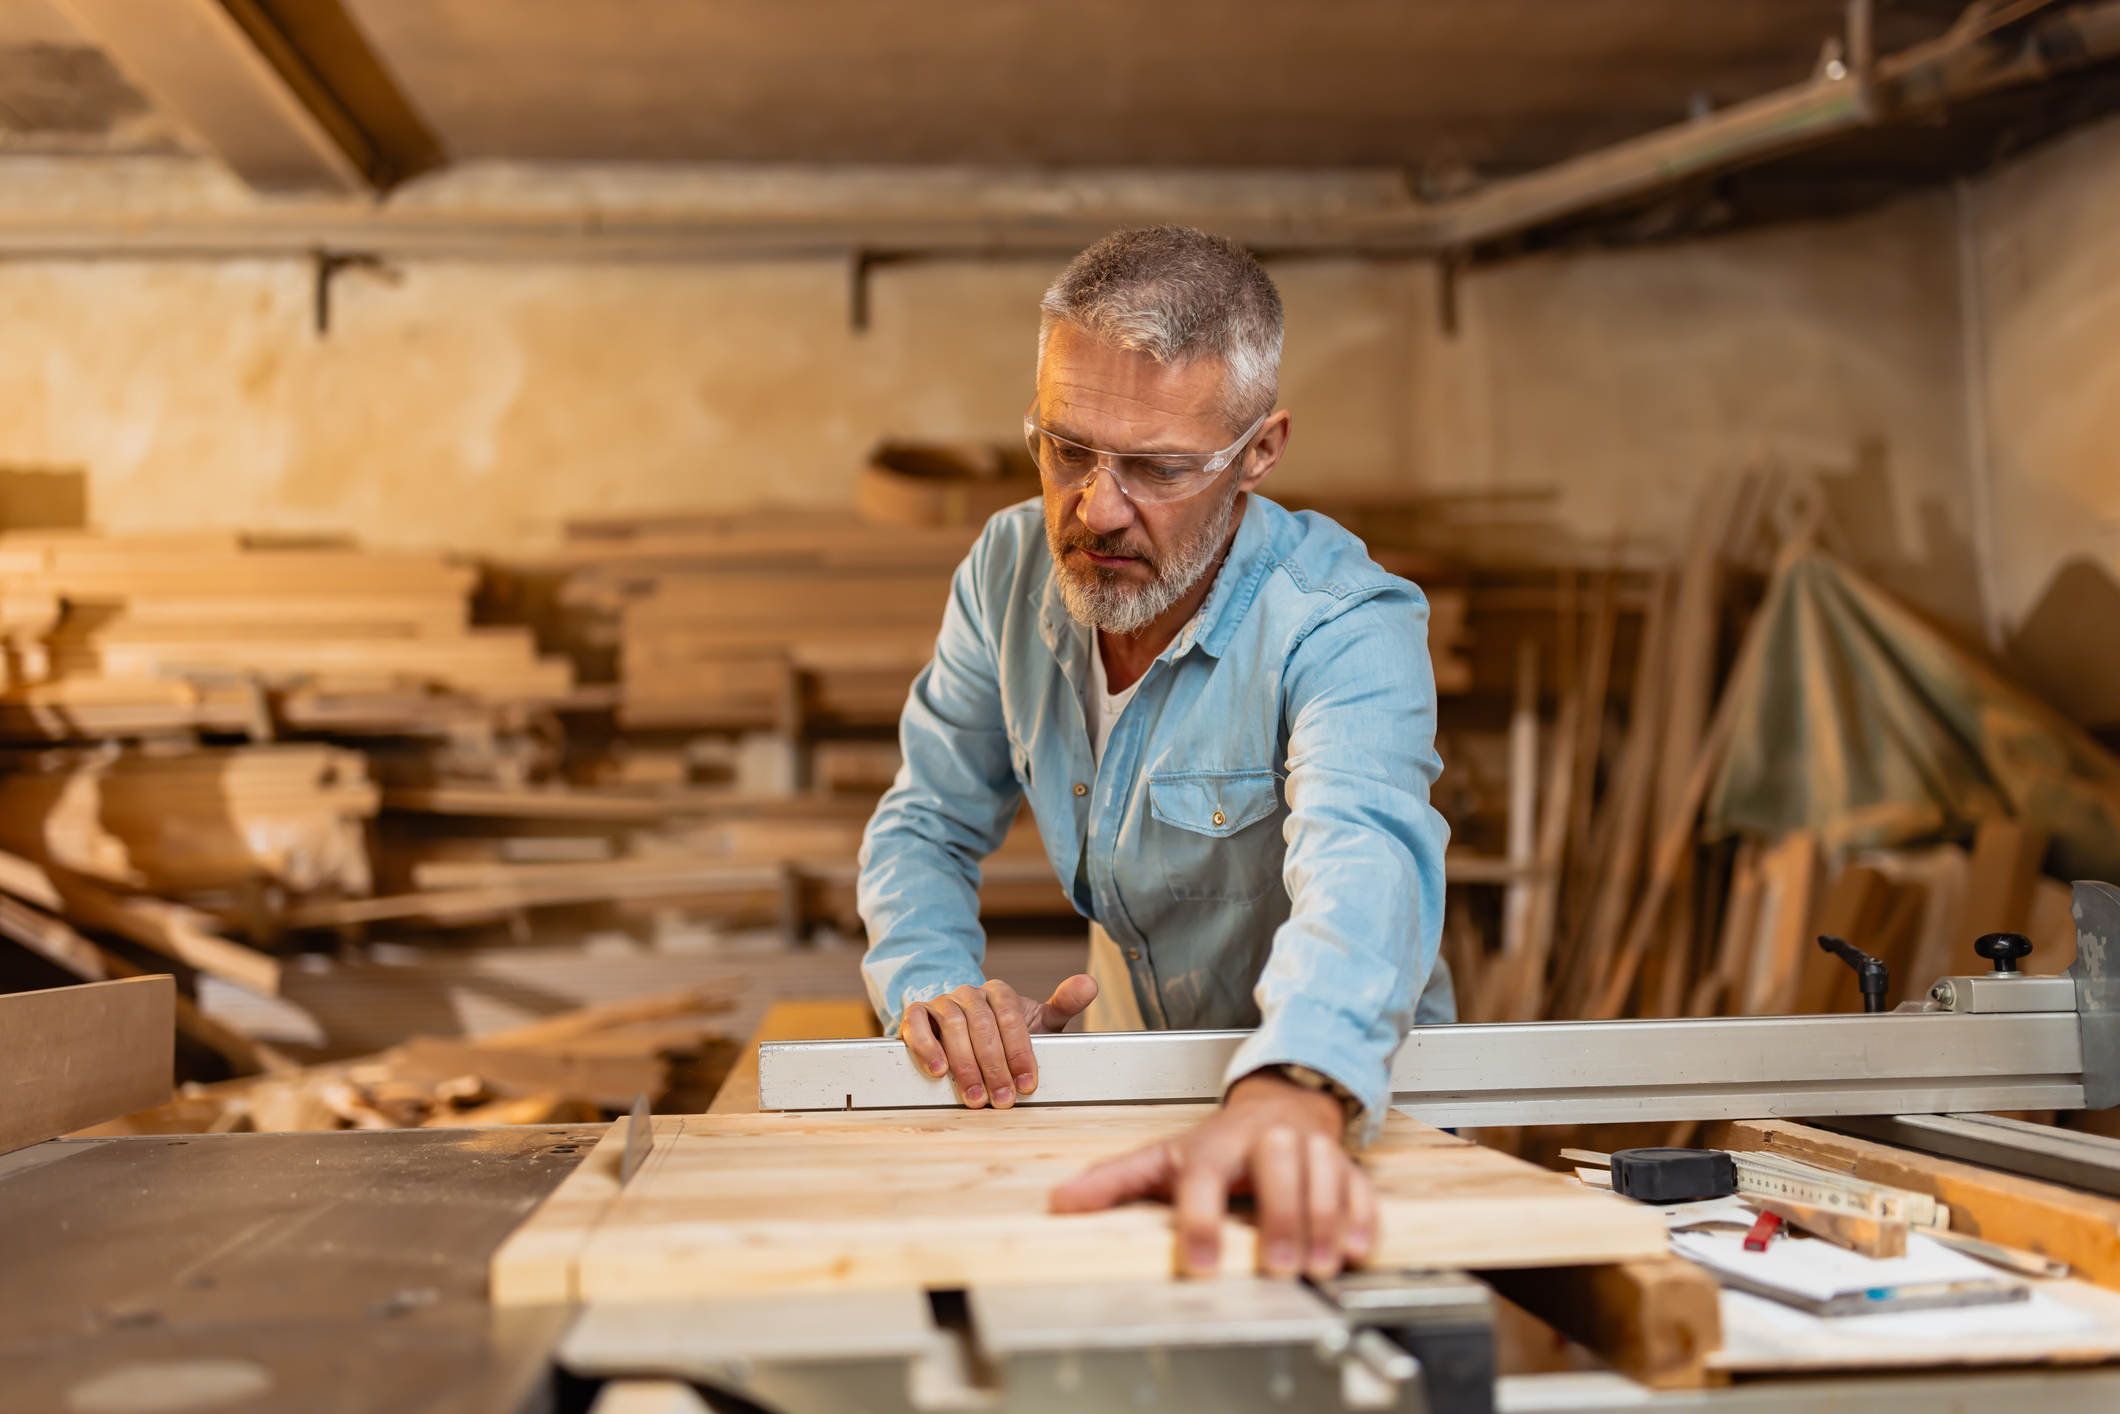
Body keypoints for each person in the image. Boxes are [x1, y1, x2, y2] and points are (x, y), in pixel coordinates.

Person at [857, 225, 1451, 1281]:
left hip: (1333, 1098)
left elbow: (1363, 860)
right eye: (1065, 448)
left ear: (1257, 451)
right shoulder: (1004, 571)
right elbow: (924, 821)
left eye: (1157, 468)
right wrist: (933, 988)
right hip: (1127, 1092)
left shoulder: (1342, 622)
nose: (1096, 507)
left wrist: (1296, 1082)